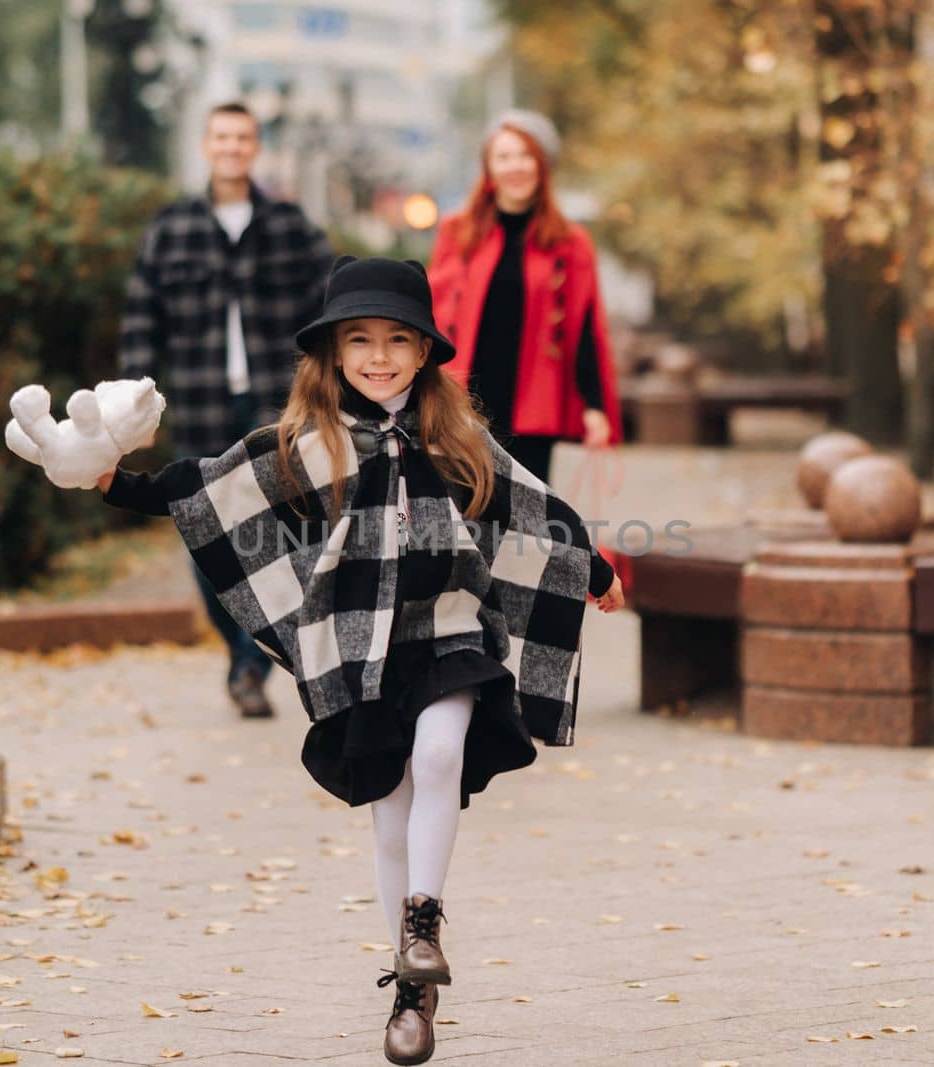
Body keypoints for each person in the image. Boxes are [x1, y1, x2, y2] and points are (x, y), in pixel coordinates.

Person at [92, 257, 622, 1065]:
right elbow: (211, 486)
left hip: (450, 629)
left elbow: (531, 506)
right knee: (389, 805)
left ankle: (423, 920)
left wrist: (597, 570)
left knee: (440, 752)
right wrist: (114, 484)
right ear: (334, 354)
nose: (380, 355)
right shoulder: (316, 442)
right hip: (362, 649)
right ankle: (411, 992)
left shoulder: (456, 436)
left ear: (425, 352)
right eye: (361, 340)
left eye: (398, 339)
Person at [119, 100, 336, 719]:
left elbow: (329, 309)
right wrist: (133, 406)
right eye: (222, 137)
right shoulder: (172, 228)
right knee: (202, 532)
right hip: (200, 399)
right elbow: (142, 319)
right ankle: (238, 648)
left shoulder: (291, 226)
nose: (233, 147)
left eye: (243, 137)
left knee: (272, 531)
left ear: (256, 147)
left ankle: (248, 663)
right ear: (206, 146)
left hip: (275, 404)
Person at [427, 108, 624, 483]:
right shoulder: (457, 233)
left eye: (526, 155)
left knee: (523, 520)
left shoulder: (570, 243)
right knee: (459, 514)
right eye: (504, 156)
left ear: (543, 165)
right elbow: (432, 313)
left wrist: (595, 407)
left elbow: (586, 328)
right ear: (489, 167)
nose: (515, 166)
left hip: (534, 406)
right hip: (462, 403)